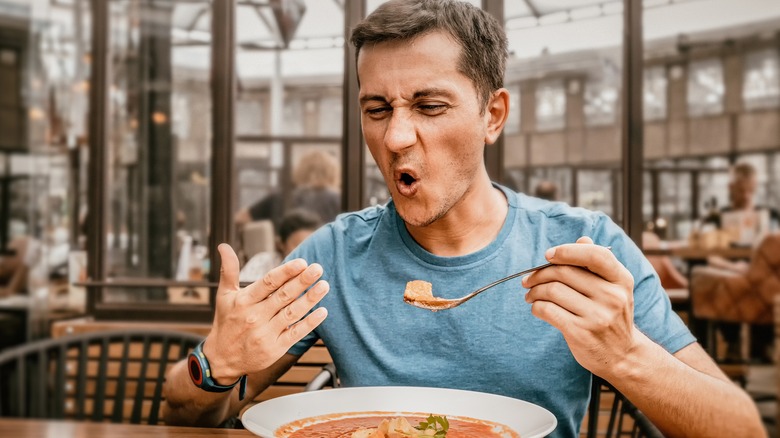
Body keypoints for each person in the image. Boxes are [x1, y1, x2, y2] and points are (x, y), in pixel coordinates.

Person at [162, 1, 763, 436]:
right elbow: (186, 413)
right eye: (377, 109)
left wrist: (627, 354)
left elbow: (743, 430)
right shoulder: (334, 256)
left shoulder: (585, 250)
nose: (397, 136)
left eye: (429, 106)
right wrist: (213, 366)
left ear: (493, 115)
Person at [234, 149, 341, 231]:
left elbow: (240, 218)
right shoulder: (340, 200)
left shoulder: (280, 197)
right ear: (333, 172)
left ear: (300, 170)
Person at [238, 209, 322, 284]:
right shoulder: (261, 262)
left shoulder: (322, 267)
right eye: (298, 246)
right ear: (281, 244)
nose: (305, 252)